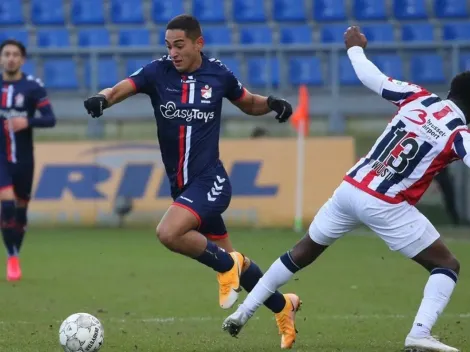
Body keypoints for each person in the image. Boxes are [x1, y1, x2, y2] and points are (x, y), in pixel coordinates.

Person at [222, 26, 464, 352]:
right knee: (447, 266)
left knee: (303, 251)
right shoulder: (458, 132)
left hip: (351, 188)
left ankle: (243, 311)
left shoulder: (418, 97)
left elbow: (372, 77)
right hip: (387, 202)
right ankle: (420, 332)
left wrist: (354, 49)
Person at [84, 14, 301, 348]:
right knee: (239, 269)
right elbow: (118, 89)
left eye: (180, 45)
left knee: (169, 232)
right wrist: (103, 99)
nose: (173, 52)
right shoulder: (157, 72)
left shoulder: (219, 74)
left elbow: (248, 103)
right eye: (169, 46)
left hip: (210, 181)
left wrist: (272, 103)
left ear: (198, 43)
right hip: (183, 187)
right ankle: (284, 306)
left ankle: (228, 265)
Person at [0, 39, 56, 280]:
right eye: (6, 54)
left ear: (22, 59)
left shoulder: (33, 87)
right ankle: (11, 255)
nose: (11, 58)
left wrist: (28, 121)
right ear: (1, 58)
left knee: (21, 210)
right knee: (7, 204)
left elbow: (50, 118)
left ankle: (15, 253)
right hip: (1, 156)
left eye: (15, 54)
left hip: (24, 158)